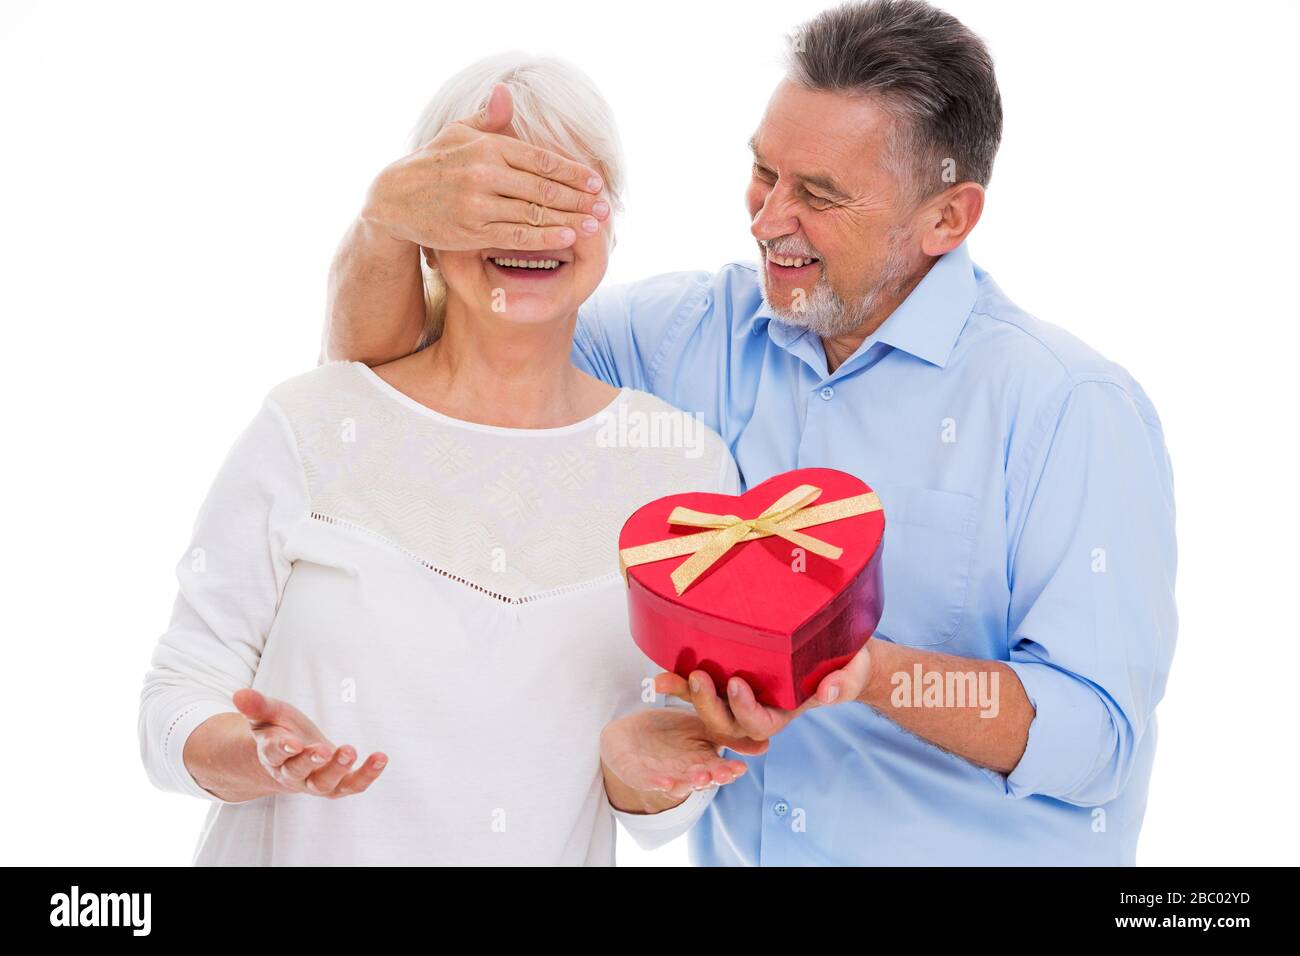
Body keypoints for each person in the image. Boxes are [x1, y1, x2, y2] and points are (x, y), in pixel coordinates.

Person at [323, 0, 1178, 866]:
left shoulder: (1070, 407)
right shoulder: (683, 334)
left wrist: (869, 671)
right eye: (764, 173)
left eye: (819, 195)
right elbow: (404, 386)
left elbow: (1096, 739)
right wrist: (391, 221)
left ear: (947, 218)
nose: (767, 219)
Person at [138, 52, 758, 866]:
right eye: (492, 196)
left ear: (611, 222)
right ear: (426, 229)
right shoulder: (313, 422)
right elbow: (173, 701)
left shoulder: (684, 472)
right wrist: (251, 756)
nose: (528, 226)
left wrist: (639, 771)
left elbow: (661, 788)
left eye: (564, 192)